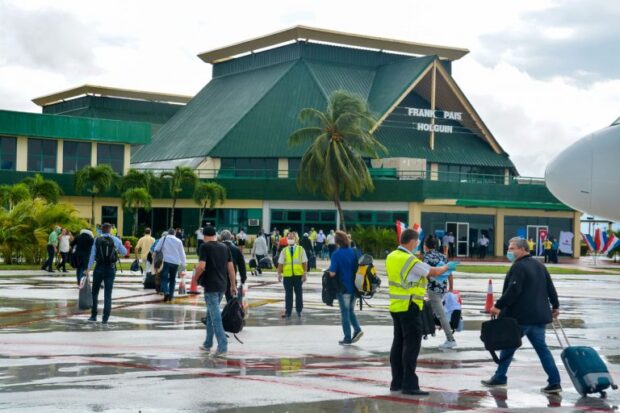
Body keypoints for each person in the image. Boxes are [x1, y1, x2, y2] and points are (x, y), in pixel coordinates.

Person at [482, 237, 561, 394]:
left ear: (523, 249)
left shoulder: (519, 267)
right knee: (542, 350)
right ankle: (554, 382)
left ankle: (500, 377)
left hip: (521, 317)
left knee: (508, 346)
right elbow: (550, 287)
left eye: (512, 249)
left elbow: (513, 290)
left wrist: (497, 306)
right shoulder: (540, 265)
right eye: (509, 248)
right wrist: (555, 305)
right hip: (539, 317)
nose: (509, 251)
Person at [386, 228, 457, 396]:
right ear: (412, 241)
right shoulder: (409, 259)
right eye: (417, 242)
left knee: (398, 344)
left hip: (396, 305)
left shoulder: (391, 257)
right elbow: (433, 272)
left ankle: (396, 382)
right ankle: (410, 384)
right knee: (411, 346)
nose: (418, 245)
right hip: (410, 306)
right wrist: (447, 266)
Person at [195, 226, 237, 358]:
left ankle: (222, 345)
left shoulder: (204, 247)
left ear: (205, 236)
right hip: (222, 286)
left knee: (215, 317)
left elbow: (201, 266)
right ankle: (208, 343)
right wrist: (233, 285)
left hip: (211, 286)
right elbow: (231, 268)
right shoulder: (225, 247)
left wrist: (195, 278)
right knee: (210, 315)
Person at [85, 223, 127, 325]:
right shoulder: (116, 240)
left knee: (95, 293)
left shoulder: (97, 240)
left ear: (102, 230)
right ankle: (105, 318)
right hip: (110, 269)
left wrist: (88, 269)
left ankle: (94, 315)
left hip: (99, 268)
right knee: (108, 294)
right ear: (110, 230)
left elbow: (92, 255)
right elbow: (124, 252)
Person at [423, 235, 457, 350]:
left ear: (425, 246)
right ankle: (427, 331)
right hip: (443, 289)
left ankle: (450, 339)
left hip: (433, 289)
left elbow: (425, 273)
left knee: (440, 315)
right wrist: (451, 288)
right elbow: (450, 273)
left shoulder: (427, 257)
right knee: (435, 312)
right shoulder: (442, 256)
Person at [329, 230, 363, 345]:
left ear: (337, 242)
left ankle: (347, 337)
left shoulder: (336, 254)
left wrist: (329, 272)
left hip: (343, 288)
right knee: (350, 310)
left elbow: (332, 273)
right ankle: (357, 330)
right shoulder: (354, 252)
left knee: (345, 312)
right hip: (355, 287)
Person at [277, 231, 308, 318]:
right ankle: (288, 312)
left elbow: (304, 262)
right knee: (288, 295)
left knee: (299, 294)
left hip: (298, 275)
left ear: (295, 239)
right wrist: (279, 274)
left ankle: (299, 310)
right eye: (288, 238)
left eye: (291, 238)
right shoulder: (284, 250)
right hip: (287, 276)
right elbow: (280, 263)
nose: (290, 239)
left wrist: (305, 273)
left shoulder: (301, 249)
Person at [154, 228, 187, 302]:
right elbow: (182, 254)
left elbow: (156, 248)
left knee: (164, 278)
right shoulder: (179, 241)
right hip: (175, 263)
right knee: (173, 279)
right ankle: (171, 295)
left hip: (165, 261)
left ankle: (166, 292)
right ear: (175, 233)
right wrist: (183, 264)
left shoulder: (164, 238)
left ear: (168, 233)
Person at [220, 230, 247, 302]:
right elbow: (242, 265)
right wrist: (243, 278)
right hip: (231, 277)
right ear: (231, 238)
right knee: (231, 300)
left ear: (221, 238)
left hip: (219, 277)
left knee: (215, 302)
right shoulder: (236, 249)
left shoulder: (217, 248)